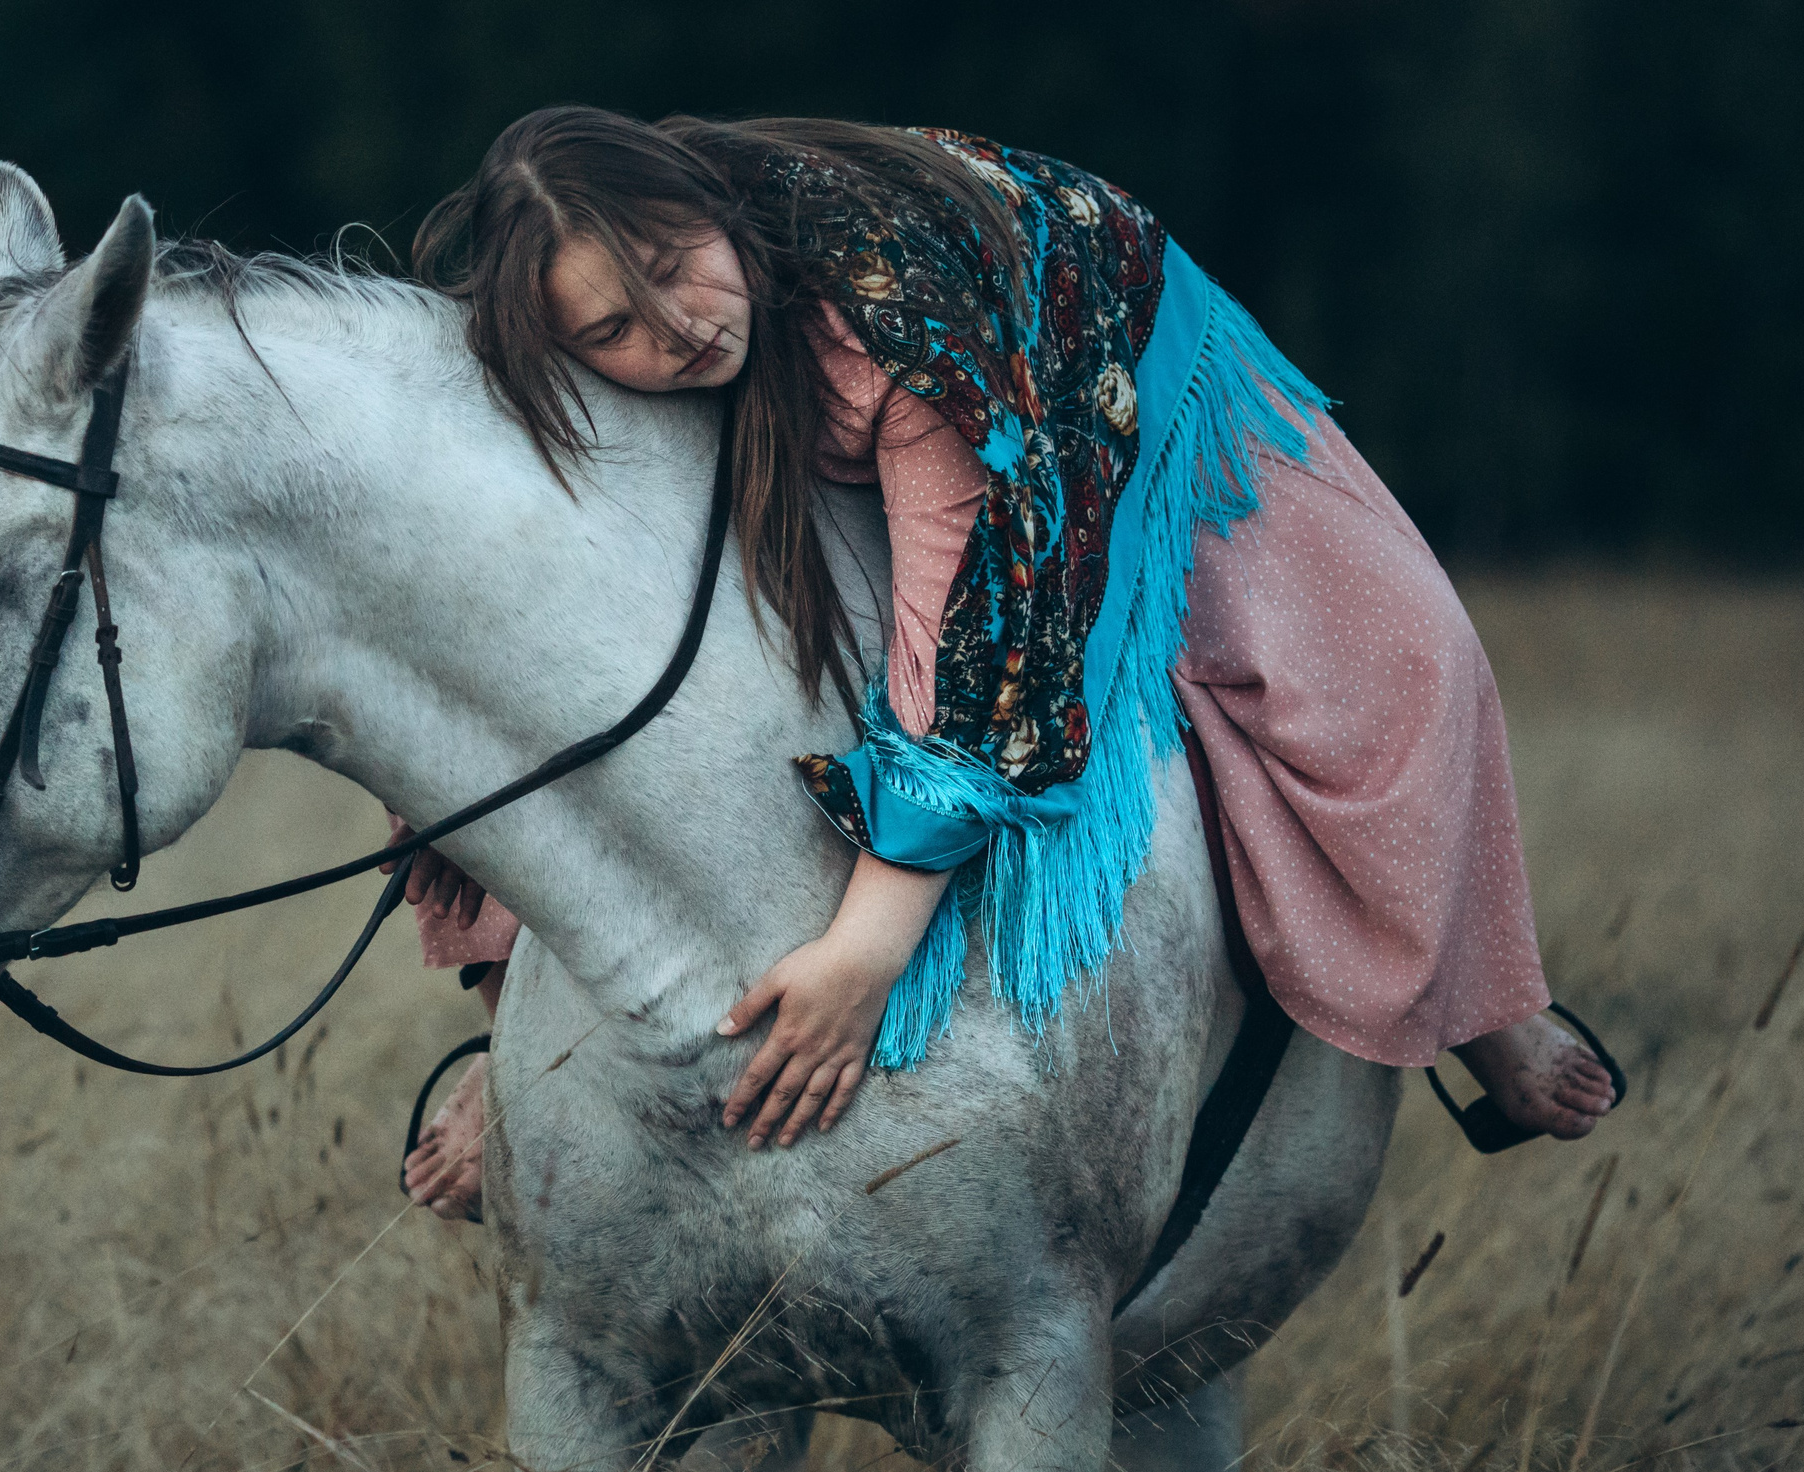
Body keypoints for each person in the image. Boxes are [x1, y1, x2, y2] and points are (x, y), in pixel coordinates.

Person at [397, 109, 1614, 1221]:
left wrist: (864, 954)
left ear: (713, 214)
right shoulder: (581, 374)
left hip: (1104, 355)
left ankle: (1481, 1004)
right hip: (836, 399)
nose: (674, 331)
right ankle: (514, 1067)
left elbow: (974, 644)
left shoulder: (899, 326)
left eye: (675, 273)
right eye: (612, 329)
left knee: (1403, 658)